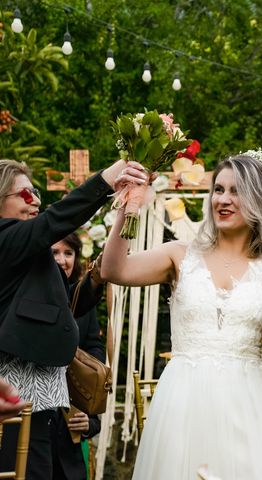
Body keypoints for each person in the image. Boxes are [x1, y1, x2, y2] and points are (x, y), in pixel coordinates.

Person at [101, 153, 262, 480]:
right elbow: (114, 269)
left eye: (236, 191)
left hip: (250, 406)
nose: (223, 199)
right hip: (184, 400)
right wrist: (129, 208)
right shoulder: (179, 255)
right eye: (218, 189)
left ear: (259, 201)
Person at [0, 158, 145, 479]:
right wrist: (108, 179)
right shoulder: (5, 240)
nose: (35, 200)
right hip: (17, 408)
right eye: (24, 195)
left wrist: (98, 276)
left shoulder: (30, 255)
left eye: (36, 192)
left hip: (55, 408)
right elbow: (57, 219)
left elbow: (63, 309)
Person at [50, 233, 106, 479]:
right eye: (54, 252)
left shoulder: (82, 303)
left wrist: (88, 417)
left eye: (68, 253)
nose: (61, 260)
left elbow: (94, 350)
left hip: (69, 426)